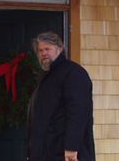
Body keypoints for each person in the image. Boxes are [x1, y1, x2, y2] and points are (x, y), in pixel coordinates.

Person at [27, 32, 95, 161]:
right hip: (46, 150)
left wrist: (71, 147)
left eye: (48, 49)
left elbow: (78, 112)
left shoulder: (73, 73)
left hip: (66, 152)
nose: (43, 53)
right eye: (40, 50)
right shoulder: (46, 76)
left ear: (60, 49)